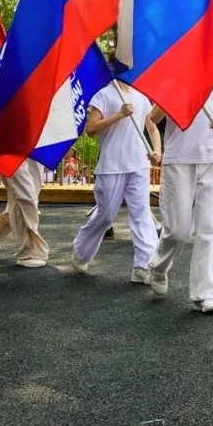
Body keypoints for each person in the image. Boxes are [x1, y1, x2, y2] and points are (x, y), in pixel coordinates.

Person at [147, 86, 213, 314]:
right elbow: (152, 118)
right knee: (179, 231)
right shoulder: (172, 87)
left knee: (208, 229)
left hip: (210, 162)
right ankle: (158, 266)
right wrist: (170, 95)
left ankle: (205, 294)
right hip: (178, 162)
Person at [70, 80, 162, 284]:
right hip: (112, 165)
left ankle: (144, 266)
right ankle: (81, 252)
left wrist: (157, 150)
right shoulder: (103, 95)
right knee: (105, 215)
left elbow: (153, 128)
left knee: (142, 215)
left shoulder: (141, 96)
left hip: (139, 164)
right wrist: (119, 114)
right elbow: (91, 129)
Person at [0, 160, 48, 268]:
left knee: (22, 203)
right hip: (11, 152)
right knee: (26, 198)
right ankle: (29, 253)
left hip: (34, 154)